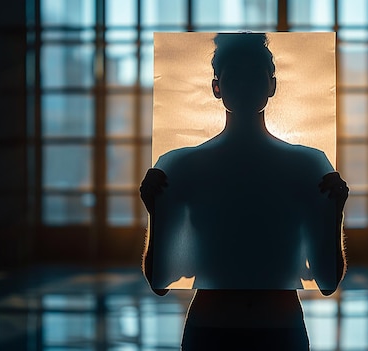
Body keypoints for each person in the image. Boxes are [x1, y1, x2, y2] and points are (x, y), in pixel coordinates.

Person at [140, 33, 348, 351]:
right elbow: (327, 281)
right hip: (263, 327)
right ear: (217, 87)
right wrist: (156, 211)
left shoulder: (183, 164)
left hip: (231, 328)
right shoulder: (305, 164)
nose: (245, 84)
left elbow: (161, 282)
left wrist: (334, 213)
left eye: (253, 74)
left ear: (271, 85)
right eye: (235, 75)